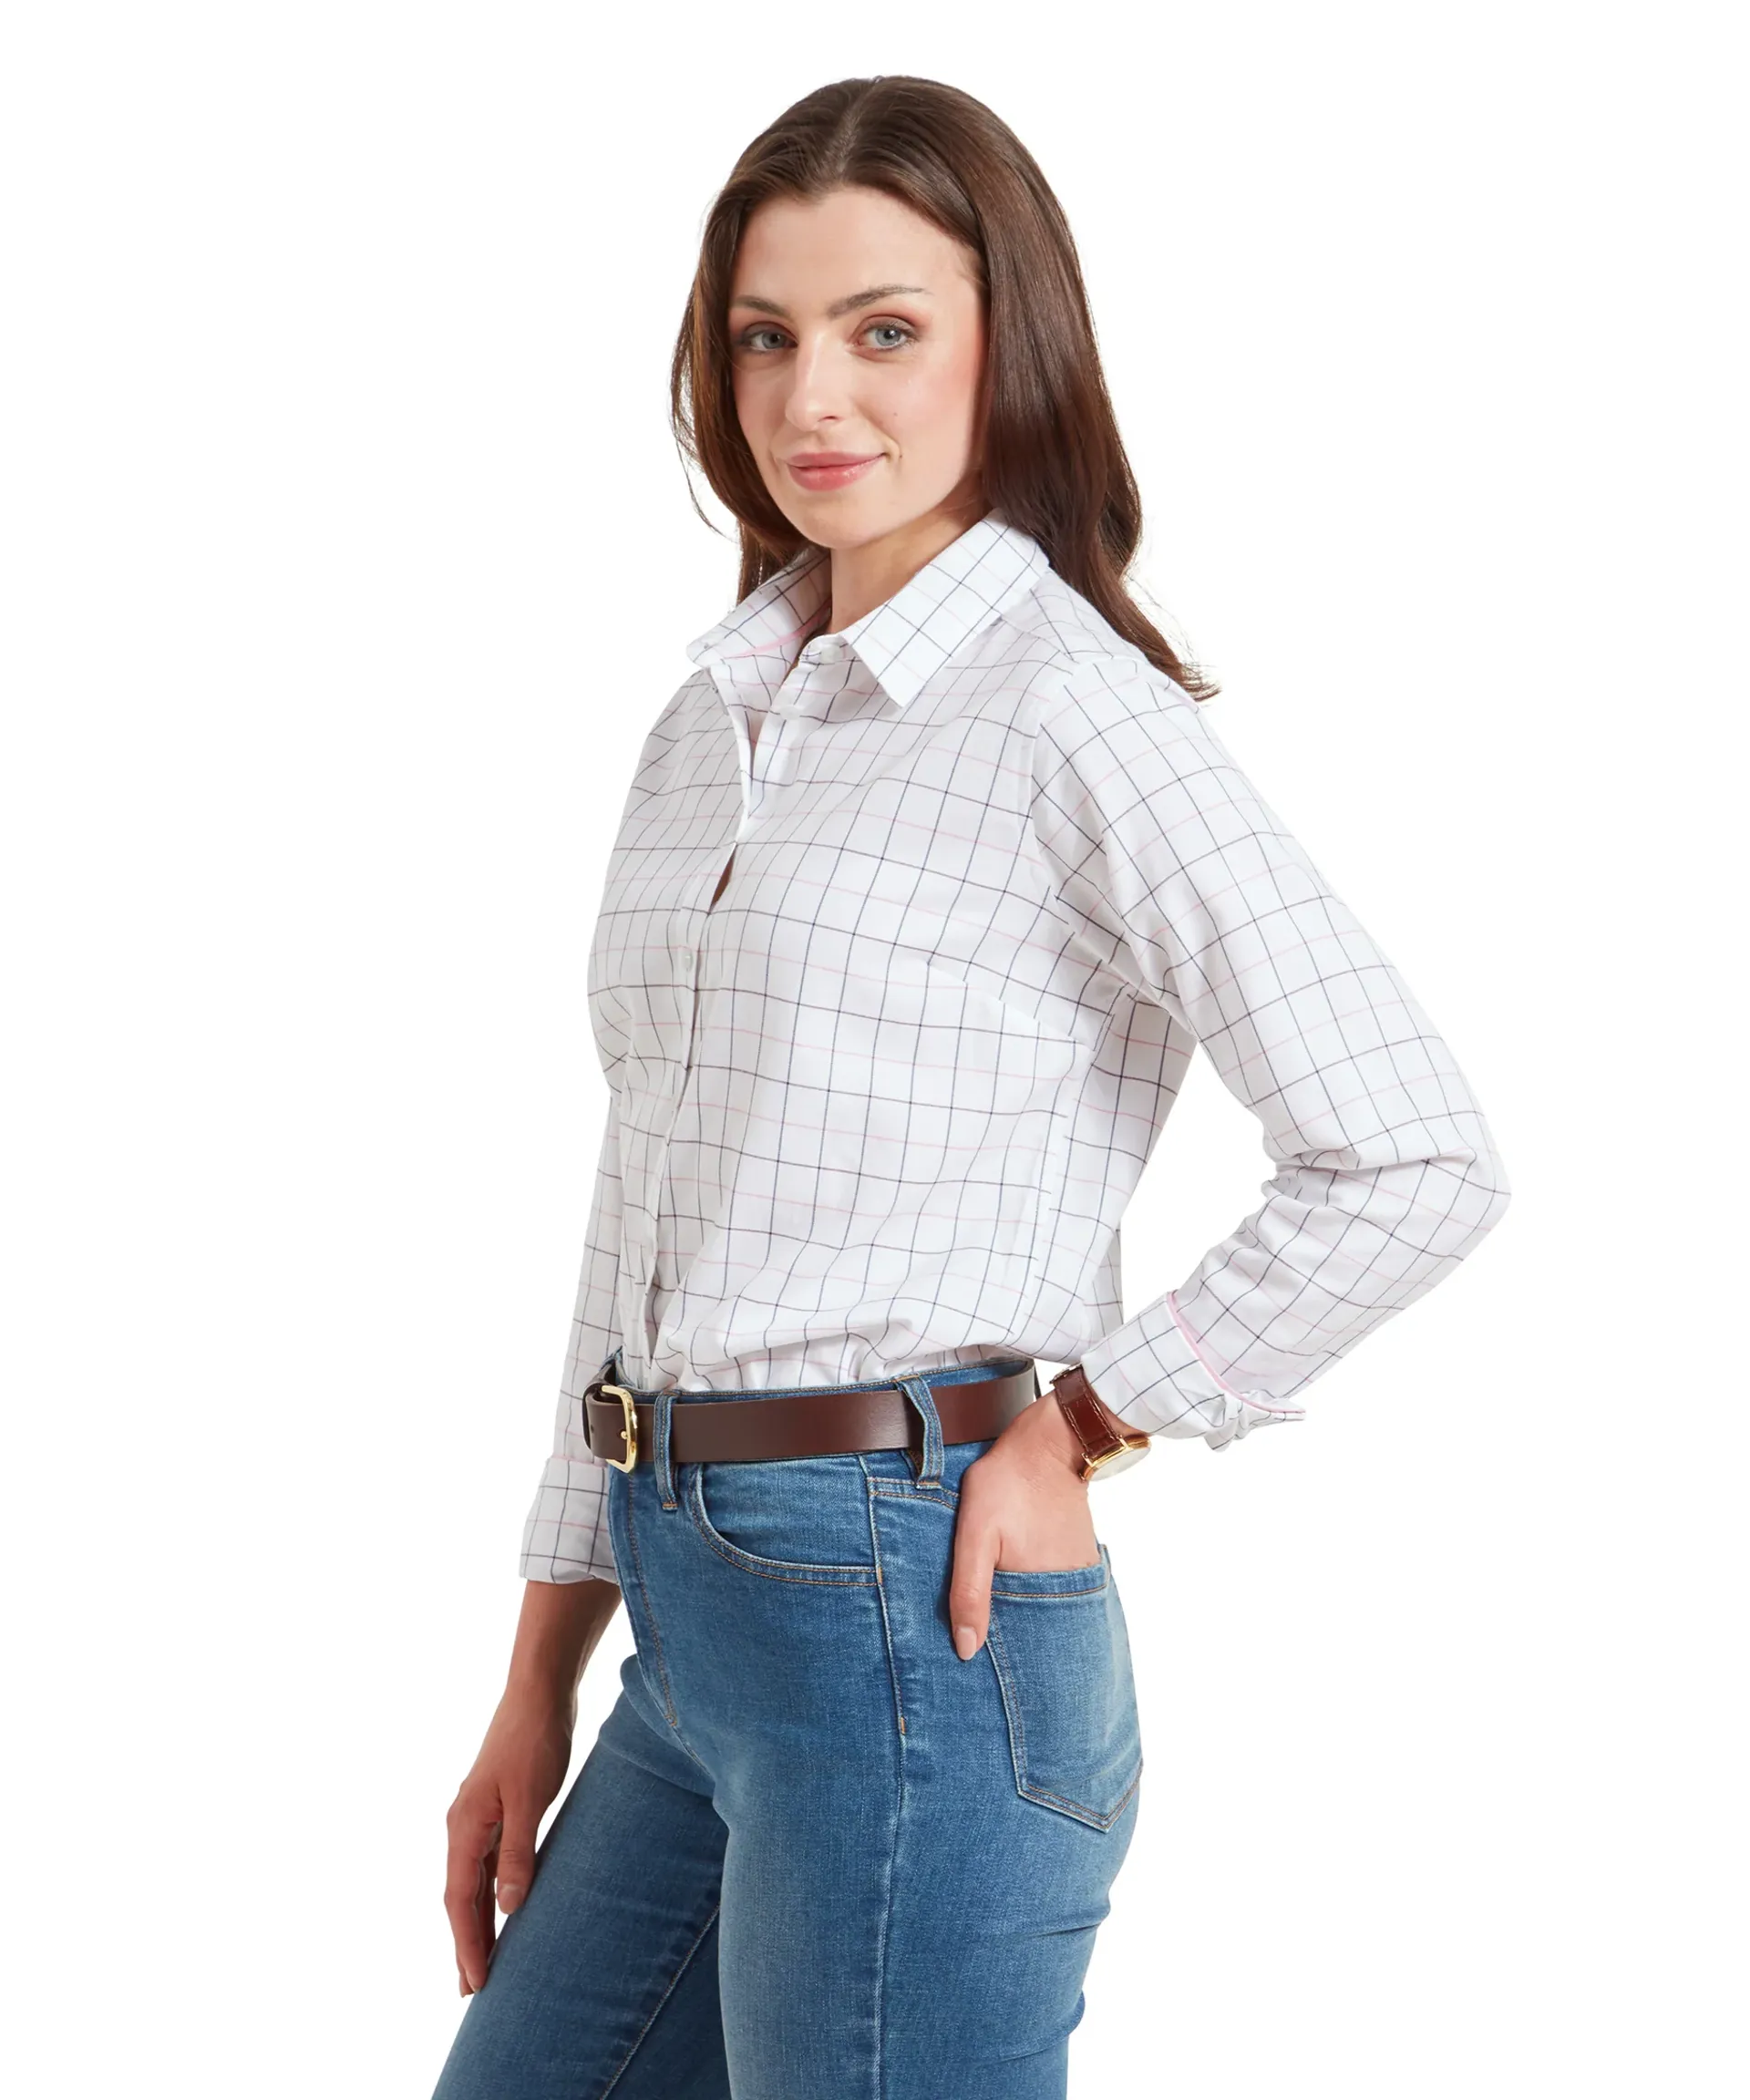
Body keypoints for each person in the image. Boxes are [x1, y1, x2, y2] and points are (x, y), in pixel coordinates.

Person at [428, 74, 1509, 2100]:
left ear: (1012, 343)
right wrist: (537, 1668)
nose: (812, 396)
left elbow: (1413, 1152)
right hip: (686, 1619)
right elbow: (645, 1194)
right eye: (766, 336)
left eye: (885, 329)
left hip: (910, 1615)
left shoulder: (1075, 714)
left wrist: (1082, 1423)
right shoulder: (714, 721)